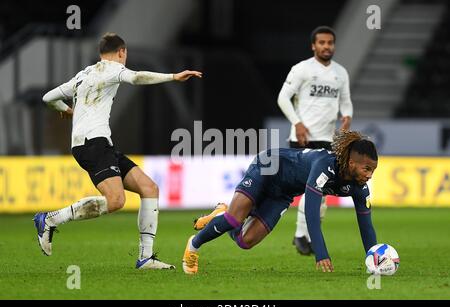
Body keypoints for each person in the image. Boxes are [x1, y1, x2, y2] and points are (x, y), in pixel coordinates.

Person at [34, 32, 202, 270]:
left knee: (149, 188)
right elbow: (137, 78)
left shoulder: (84, 74)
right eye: (125, 54)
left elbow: (48, 97)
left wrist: (66, 109)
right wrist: (173, 76)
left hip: (96, 144)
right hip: (93, 144)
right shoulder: (113, 69)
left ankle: (145, 257)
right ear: (121, 52)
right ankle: (50, 219)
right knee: (115, 201)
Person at [182, 130, 378, 274]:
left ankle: (220, 214)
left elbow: (366, 226)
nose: (369, 175)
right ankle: (193, 247)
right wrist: (321, 253)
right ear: (352, 163)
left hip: (283, 194)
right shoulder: (324, 167)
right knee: (233, 219)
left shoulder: (359, 188)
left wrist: (374, 259)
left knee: (245, 241)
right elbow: (311, 213)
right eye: (367, 169)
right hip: (267, 168)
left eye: (373, 171)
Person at [277, 26, 353, 255]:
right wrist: (297, 123)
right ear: (313, 45)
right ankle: (302, 235)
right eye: (322, 43)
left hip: (328, 140)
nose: (326, 46)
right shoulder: (301, 69)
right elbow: (282, 98)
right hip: (303, 139)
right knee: (312, 189)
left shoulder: (341, 73)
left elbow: (346, 101)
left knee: (321, 193)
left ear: (334, 45)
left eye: (330, 43)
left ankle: (305, 236)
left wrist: (347, 117)